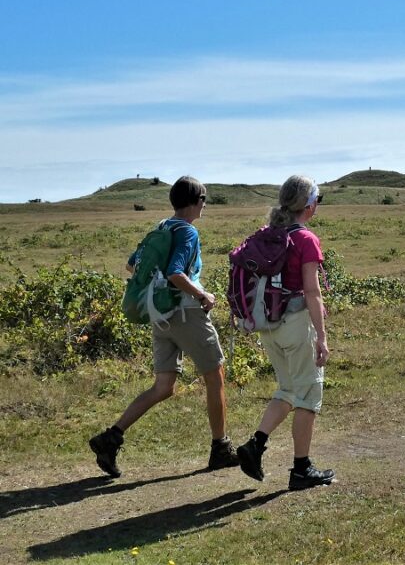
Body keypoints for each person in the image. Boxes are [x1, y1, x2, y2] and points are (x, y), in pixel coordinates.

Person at [89, 176, 238, 477]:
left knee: (163, 386)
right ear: (197, 201)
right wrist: (203, 294)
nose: (205, 205)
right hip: (185, 314)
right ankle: (220, 448)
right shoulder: (188, 232)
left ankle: (110, 437)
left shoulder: (160, 228)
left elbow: (133, 265)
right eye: (204, 199)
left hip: (161, 316)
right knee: (215, 375)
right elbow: (175, 273)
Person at [236, 175, 335, 491]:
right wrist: (322, 337)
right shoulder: (306, 239)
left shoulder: (269, 234)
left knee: (289, 389)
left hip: (269, 324)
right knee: (308, 395)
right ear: (309, 205)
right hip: (295, 324)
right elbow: (312, 292)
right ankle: (301, 469)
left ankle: (256, 444)